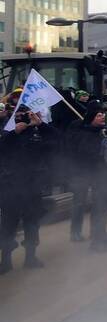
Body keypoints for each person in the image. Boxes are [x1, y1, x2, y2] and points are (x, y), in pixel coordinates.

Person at [0, 107, 55, 272]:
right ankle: (6, 261)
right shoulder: (7, 135)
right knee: (8, 225)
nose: (21, 119)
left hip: (32, 188)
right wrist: (14, 133)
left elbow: (56, 142)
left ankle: (30, 257)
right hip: (10, 189)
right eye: (16, 116)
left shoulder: (37, 134)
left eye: (24, 116)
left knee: (32, 224)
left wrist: (41, 125)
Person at [70, 101, 107, 252]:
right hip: (95, 176)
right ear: (91, 117)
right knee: (99, 208)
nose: (103, 117)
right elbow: (88, 154)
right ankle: (96, 242)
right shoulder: (84, 134)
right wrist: (106, 150)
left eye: (103, 114)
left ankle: (102, 235)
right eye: (99, 115)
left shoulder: (102, 131)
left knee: (106, 206)